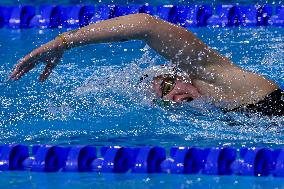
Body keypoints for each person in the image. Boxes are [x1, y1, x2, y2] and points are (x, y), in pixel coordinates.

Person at [10, 13, 283, 116]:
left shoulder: (220, 78)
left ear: (180, 72)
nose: (172, 97)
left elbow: (146, 25)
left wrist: (63, 41)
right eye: (163, 98)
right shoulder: (213, 117)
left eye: (166, 83)